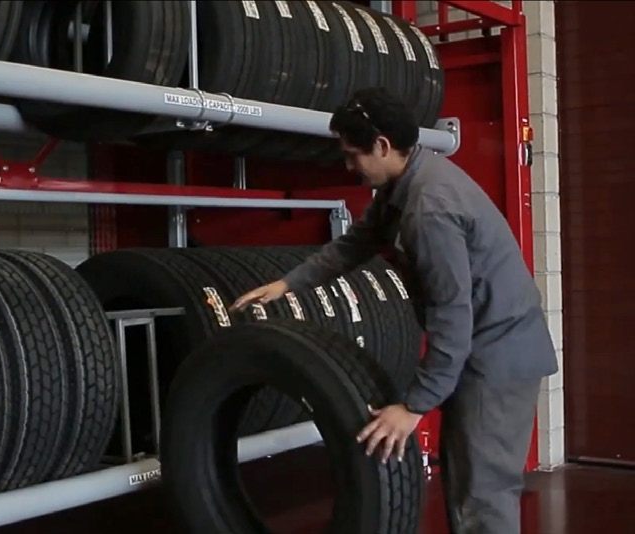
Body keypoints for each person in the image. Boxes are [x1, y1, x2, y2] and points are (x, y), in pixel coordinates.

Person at [230, 87, 558, 534]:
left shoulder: (430, 210)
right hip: (484, 351)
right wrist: (289, 283)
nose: (349, 166)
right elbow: (356, 243)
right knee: (469, 488)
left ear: (382, 145)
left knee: (483, 497)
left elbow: (452, 318)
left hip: (496, 357)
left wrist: (414, 407)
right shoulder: (409, 179)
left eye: (352, 155)